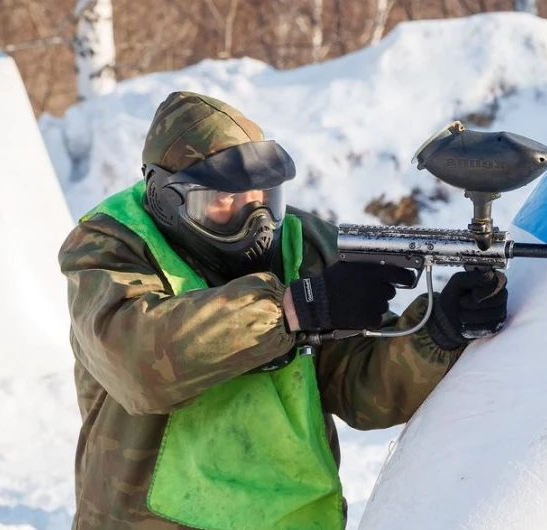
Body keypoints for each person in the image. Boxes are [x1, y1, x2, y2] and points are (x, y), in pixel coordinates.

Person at [58, 91, 508, 530]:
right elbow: (136, 366)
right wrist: (294, 309)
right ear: (166, 198)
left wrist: (439, 334)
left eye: (263, 197)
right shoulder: (110, 248)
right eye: (222, 201)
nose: (254, 219)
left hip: (291, 517)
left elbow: (356, 386)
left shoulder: (303, 242)